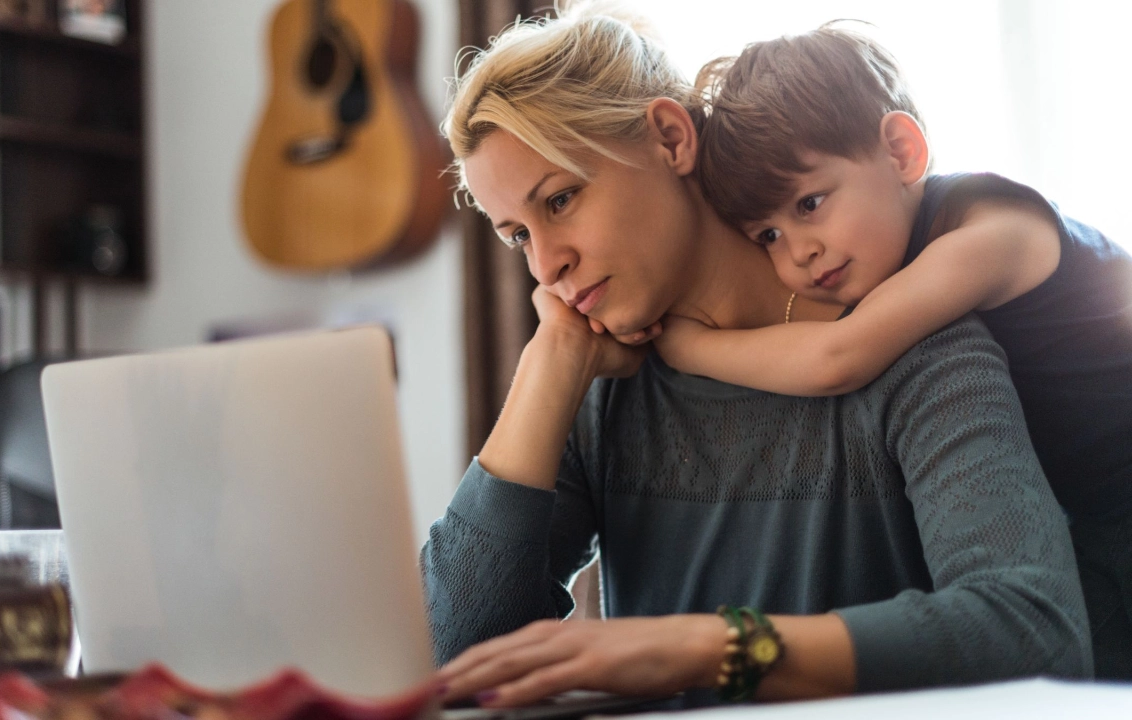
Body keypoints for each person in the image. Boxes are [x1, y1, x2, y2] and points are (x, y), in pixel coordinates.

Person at [421, 2, 1090, 709]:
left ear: (671, 138)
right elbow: (456, 664)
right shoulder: (601, 386)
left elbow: (1036, 630)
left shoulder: (918, 346)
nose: (547, 266)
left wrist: (712, 648)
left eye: (559, 200)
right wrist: (548, 361)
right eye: (518, 236)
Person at [655, 25, 1132, 679]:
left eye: (811, 203)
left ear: (903, 152)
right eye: (767, 233)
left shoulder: (991, 231)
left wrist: (688, 345)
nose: (798, 252)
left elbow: (837, 358)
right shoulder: (889, 259)